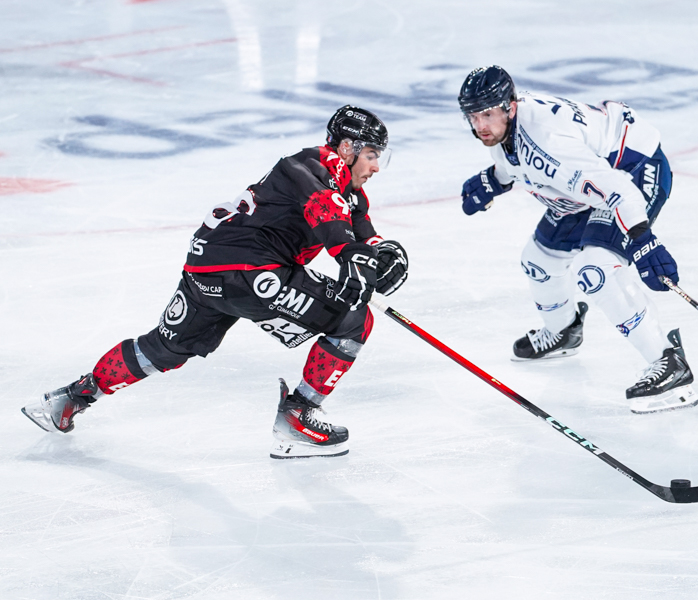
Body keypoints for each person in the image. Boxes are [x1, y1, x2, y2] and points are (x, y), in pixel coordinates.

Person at [21, 105, 410, 457]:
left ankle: (70, 398)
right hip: (252, 271)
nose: (376, 166)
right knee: (353, 322)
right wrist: (352, 259)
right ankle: (299, 416)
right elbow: (334, 226)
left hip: (206, 269)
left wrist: (380, 255)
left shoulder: (347, 191)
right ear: (347, 147)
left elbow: (362, 236)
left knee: (164, 348)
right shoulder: (310, 170)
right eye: (373, 155)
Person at [457, 65, 697, 414]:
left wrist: (643, 239)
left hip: (630, 172)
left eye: (488, 114)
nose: (480, 126)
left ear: (510, 106)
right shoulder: (509, 130)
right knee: (539, 261)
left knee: (596, 270)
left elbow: (617, 190)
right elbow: (516, 162)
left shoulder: (548, 144)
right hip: (588, 182)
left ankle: (669, 362)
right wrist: (494, 180)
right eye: (473, 116)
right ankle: (564, 330)